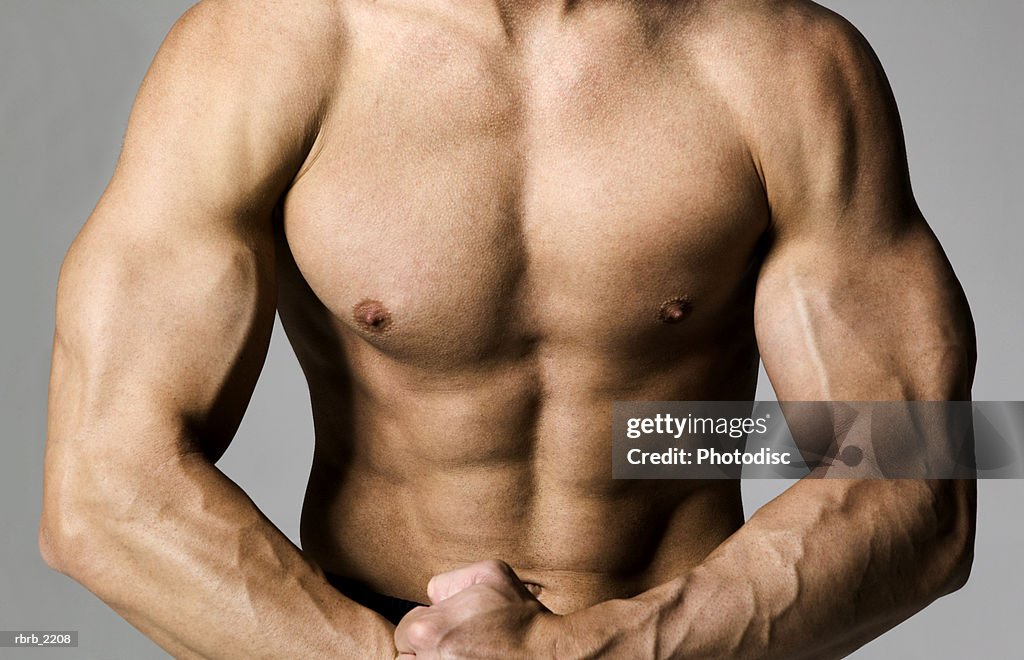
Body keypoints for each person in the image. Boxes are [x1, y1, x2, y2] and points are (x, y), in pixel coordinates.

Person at [40, 0, 977, 657]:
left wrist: (603, 654)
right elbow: (102, 484)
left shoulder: (786, 62)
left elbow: (919, 481)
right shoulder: (258, 51)